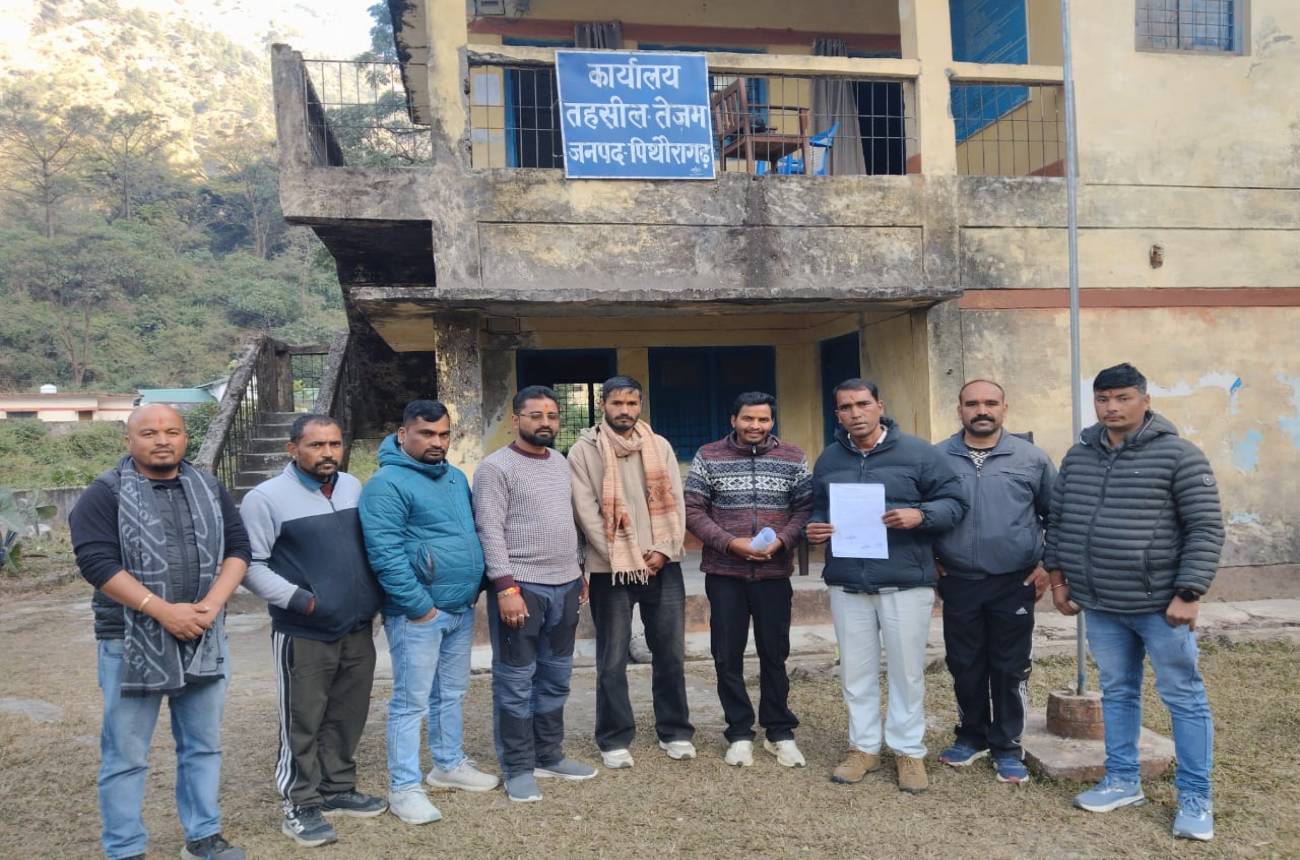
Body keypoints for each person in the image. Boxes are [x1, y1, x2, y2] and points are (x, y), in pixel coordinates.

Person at [1046, 363, 1224, 841]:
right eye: (1103, 399)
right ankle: (1123, 780)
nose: (1112, 407)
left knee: (1183, 697)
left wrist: (1189, 592)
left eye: (1123, 398)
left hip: (1161, 606)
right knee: (1118, 691)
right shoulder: (1079, 456)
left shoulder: (1179, 456)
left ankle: (1195, 797)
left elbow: (1205, 527)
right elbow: (1059, 520)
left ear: (1145, 400)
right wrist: (1059, 579)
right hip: (1102, 604)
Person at [69, 404, 250, 860]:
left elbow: (239, 548)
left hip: (203, 634)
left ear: (186, 437)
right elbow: (96, 563)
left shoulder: (208, 487)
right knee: (126, 754)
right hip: (130, 639)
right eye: (149, 433)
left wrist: (210, 608)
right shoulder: (104, 493)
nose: (163, 440)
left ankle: (203, 836)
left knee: (203, 745)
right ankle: (125, 847)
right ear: (129, 440)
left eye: (173, 431)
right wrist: (163, 611)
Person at [806, 379, 966, 794]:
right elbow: (818, 507)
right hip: (848, 581)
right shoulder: (829, 458)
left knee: (906, 671)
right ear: (837, 414)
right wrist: (816, 527)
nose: (855, 413)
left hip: (905, 581)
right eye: (846, 407)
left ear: (880, 405)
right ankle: (863, 748)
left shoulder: (919, 453)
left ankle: (908, 750)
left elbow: (955, 502)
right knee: (855, 672)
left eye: (863, 404)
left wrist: (921, 516)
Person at [240, 414, 387, 847]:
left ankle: (337, 787)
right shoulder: (265, 499)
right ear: (293, 449)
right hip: (303, 631)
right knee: (302, 718)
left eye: (334, 444)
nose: (327, 453)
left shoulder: (352, 487)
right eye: (316, 445)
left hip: (356, 626)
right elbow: (250, 565)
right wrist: (303, 601)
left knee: (348, 713)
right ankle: (299, 801)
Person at [358, 400, 497, 826]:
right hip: (417, 615)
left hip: (460, 608)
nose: (438, 442)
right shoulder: (386, 484)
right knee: (409, 703)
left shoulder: (454, 478)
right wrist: (420, 608)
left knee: (451, 693)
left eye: (444, 434)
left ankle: (448, 764)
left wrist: (475, 586)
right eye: (427, 434)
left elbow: (467, 534)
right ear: (403, 434)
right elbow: (385, 554)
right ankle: (404, 788)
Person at [473, 386, 597, 802]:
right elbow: (489, 529)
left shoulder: (560, 463)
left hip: (565, 585)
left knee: (556, 676)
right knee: (516, 681)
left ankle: (549, 754)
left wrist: (578, 570)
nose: (546, 422)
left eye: (552, 415)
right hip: (522, 587)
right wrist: (504, 586)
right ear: (516, 420)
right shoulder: (495, 468)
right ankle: (518, 767)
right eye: (536, 415)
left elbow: (569, 522)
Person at [932, 380, 1056, 785]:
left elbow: (1057, 515)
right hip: (959, 581)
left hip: (1014, 581)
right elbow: (921, 512)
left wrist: (1048, 564)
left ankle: (1007, 745)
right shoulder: (936, 458)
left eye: (990, 403)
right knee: (964, 663)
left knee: (1009, 666)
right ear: (960, 410)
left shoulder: (1031, 458)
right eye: (972, 404)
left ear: (1004, 407)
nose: (981, 410)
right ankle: (971, 736)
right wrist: (930, 560)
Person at [568, 375, 694, 769]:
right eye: (617, 403)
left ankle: (675, 731)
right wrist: (621, 555)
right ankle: (614, 737)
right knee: (612, 657)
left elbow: (676, 501)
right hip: (611, 569)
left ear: (640, 405)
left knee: (670, 653)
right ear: (603, 404)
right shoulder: (584, 451)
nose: (625, 410)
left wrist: (664, 549)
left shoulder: (659, 445)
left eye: (632, 403)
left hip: (662, 564)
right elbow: (586, 511)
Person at [684, 391, 812, 768]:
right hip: (725, 574)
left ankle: (779, 731)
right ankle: (739, 732)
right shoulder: (709, 456)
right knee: (727, 655)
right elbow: (693, 510)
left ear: (772, 421)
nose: (755, 426)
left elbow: (806, 508)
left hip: (774, 574)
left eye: (763, 419)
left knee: (775, 653)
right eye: (748, 419)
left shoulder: (793, 457)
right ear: (733, 420)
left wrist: (783, 541)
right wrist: (730, 543)